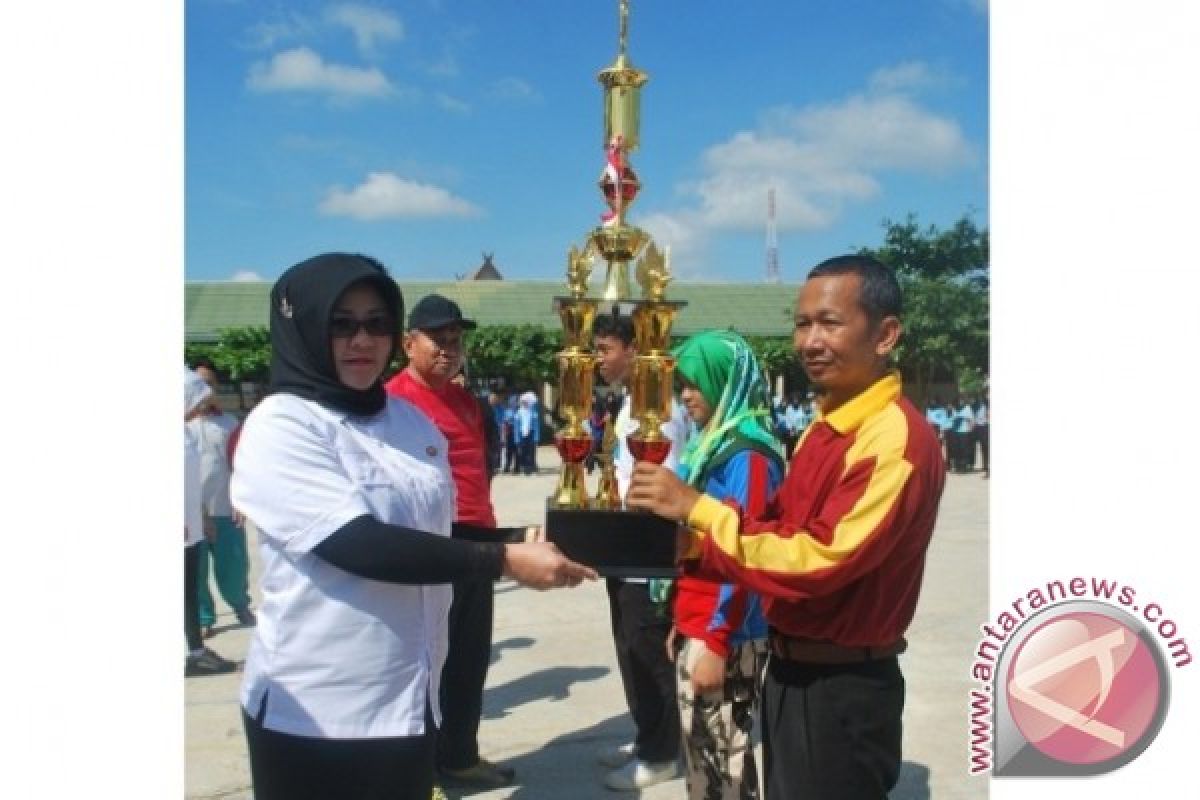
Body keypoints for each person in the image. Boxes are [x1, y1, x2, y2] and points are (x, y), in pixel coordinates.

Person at [229, 253, 596, 800]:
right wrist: (503, 562)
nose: (362, 339)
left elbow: (433, 532)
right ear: (304, 326)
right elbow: (359, 545)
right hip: (319, 711)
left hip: (408, 700)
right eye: (342, 323)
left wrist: (515, 540)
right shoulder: (284, 423)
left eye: (376, 322)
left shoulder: (408, 422)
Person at [628, 255, 946, 800]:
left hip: (841, 686)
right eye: (802, 324)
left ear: (885, 334)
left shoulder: (894, 438)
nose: (810, 341)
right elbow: (777, 528)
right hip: (793, 671)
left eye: (830, 322)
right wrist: (694, 549)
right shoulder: (827, 426)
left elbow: (822, 560)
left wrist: (698, 509)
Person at [384, 293, 516, 789]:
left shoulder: (467, 402)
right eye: (438, 340)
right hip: (429, 542)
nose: (448, 349)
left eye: (455, 341)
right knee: (424, 663)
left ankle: (459, 755)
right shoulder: (391, 400)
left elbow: (479, 467)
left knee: (467, 657)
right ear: (407, 344)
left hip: (477, 540)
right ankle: (419, 773)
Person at [669, 330, 787, 800]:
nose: (686, 396)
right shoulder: (711, 446)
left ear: (723, 382)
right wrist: (683, 621)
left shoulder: (748, 456)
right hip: (702, 622)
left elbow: (745, 553)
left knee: (727, 760)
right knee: (705, 758)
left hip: (730, 634)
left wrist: (715, 639)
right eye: (683, 385)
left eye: (696, 384)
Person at [592, 312, 689, 791]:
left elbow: (664, 486)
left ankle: (662, 752)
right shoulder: (631, 402)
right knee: (629, 644)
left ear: (633, 348)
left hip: (649, 546)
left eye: (605, 349)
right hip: (625, 541)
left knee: (649, 649)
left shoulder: (660, 408)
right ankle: (647, 733)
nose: (597, 360)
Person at [189, 360, 256, 638]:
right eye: (197, 383)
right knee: (197, 570)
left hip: (227, 510)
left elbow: (245, 465)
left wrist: (242, 501)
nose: (204, 389)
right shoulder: (182, 427)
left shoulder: (230, 425)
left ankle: (240, 604)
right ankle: (204, 616)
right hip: (191, 513)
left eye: (209, 384)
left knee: (234, 565)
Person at [184, 367, 239, 676]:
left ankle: (196, 651)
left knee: (190, 585)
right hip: (184, 525)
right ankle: (195, 647)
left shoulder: (192, 429)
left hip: (194, 522)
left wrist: (200, 516)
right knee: (189, 586)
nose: (196, 405)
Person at [973, 393, 989, 478]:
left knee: (987, 448)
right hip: (980, 427)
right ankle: (986, 467)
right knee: (984, 447)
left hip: (986, 426)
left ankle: (987, 468)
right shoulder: (977, 405)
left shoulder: (987, 404)